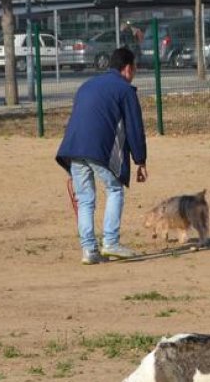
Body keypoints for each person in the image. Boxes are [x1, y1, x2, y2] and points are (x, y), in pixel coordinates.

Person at [55, 47, 148, 265]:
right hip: (100, 150)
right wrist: (140, 160)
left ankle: (89, 250)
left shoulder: (86, 86)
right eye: (134, 68)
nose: (134, 72)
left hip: (73, 149)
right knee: (115, 189)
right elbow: (135, 128)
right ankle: (111, 242)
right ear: (127, 68)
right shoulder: (125, 90)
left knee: (86, 200)